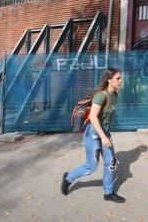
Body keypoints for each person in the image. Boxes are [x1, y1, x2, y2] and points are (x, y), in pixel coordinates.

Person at [61, 67, 125, 203]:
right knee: (91, 166)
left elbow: (106, 117)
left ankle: (108, 193)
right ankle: (68, 177)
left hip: (104, 131)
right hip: (93, 133)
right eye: (117, 78)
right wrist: (103, 137)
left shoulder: (115, 95)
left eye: (120, 78)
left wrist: (106, 133)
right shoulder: (101, 95)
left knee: (111, 163)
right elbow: (93, 117)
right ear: (109, 80)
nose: (120, 81)